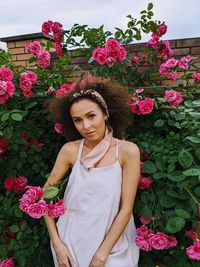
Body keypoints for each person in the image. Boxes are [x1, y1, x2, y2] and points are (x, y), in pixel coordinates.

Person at [43, 77, 140, 267]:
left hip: (113, 246)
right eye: (77, 120)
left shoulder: (128, 151)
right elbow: (44, 197)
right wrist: (57, 244)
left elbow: (126, 209)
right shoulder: (70, 151)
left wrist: (102, 254)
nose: (86, 126)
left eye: (91, 116)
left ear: (105, 114)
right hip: (70, 245)